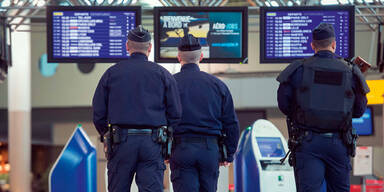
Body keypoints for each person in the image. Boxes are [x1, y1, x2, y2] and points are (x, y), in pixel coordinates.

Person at [276, 23, 370, 192]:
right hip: (339, 144)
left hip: (307, 142)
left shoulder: (298, 69)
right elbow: (359, 110)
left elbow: (284, 105)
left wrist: (302, 115)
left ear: (313, 46)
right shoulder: (351, 70)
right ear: (334, 45)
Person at [92, 25, 182, 192]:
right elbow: (176, 113)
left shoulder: (111, 74)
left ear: (127, 46)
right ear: (150, 48)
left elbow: (98, 112)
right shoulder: (163, 74)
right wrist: (164, 135)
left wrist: (109, 135)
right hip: (152, 142)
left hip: (120, 142)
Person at [170, 34, 240, 192]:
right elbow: (231, 123)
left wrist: (163, 151)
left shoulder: (170, 83)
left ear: (178, 57)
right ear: (201, 56)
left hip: (181, 149)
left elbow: (162, 119)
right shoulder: (218, 85)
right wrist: (228, 154)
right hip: (210, 150)